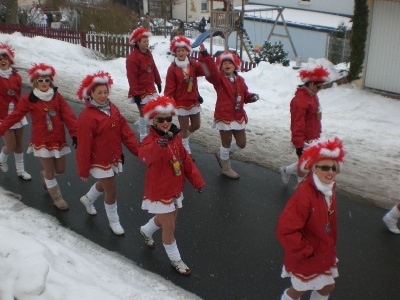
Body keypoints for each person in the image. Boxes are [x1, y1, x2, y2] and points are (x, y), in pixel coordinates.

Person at [138, 95, 205, 275]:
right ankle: (176, 260)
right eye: (161, 119)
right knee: (169, 228)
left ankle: (145, 230)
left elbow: (186, 162)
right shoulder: (150, 140)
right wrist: (158, 146)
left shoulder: (175, 137)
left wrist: (197, 182)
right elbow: (144, 156)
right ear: (153, 120)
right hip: (160, 191)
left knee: (167, 219)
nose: (166, 122)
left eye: (169, 118)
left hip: (175, 188)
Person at [0, 63, 77, 210]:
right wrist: (2, 127)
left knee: (60, 169)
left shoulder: (57, 97)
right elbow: (16, 115)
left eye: (46, 80)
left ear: (50, 82)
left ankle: (45, 176)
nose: (43, 83)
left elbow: (69, 116)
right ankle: (57, 198)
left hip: (58, 138)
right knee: (50, 171)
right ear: (35, 82)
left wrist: (76, 134)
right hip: (41, 139)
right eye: (40, 80)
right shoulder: (30, 98)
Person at [276, 137, 345, 300]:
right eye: (325, 167)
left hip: (322, 249)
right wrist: (306, 251)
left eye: (334, 168)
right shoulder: (305, 195)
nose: (331, 172)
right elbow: (285, 230)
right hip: (308, 254)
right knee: (299, 290)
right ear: (314, 168)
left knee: (328, 286)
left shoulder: (329, 188)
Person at [76, 71, 139, 235]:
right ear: (91, 93)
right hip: (99, 160)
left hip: (113, 156)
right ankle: (114, 221)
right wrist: (83, 170)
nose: (103, 96)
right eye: (99, 93)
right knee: (111, 189)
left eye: (105, 92)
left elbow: (125, 131)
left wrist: (138, 151)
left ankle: (88, 199)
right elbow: (83, 145)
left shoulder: (112, 108)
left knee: (106, 185)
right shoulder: (87, 117)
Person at [199, 43, 259, 179]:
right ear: (221, 66)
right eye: (224, 63)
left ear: (235, 65)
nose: (227, 65)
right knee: (225, 143)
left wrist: (251, 97)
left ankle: (221, 155)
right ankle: (226, 168)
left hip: (238, 116)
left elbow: (244, 95)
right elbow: (210, 72)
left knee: (241, 143)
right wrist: (204, 55)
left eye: (230, 63)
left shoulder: (240, 80)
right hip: (224, 115)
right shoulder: (218, 80)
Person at [280, 65, 330, 184]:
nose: (320, 89)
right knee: (304, 168)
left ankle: (286, 171)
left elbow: (315, 118)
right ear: (311, 83)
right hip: (304, 139)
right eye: (318, 86)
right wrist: (299, 145)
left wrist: (318, 133)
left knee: (310, 161)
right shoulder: (300, 101)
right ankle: (301, 194)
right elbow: (297, 124)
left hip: (313, 137)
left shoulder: (312, 95)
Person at [164, 36, 205, 159]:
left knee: (196, 125)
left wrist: (205, 55)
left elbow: (206, 70)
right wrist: (168, 103)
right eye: (178, 51)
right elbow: (169, 87)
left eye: (183, 50)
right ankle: (186, 152)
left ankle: (181, 137)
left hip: (193, 100)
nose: (181, 53)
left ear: (187, 51)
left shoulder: (192, 65)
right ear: (175, 53)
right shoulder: (172, 69)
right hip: (180, 102)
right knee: (184, 127)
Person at [0, 43, 31, 180]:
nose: (2, 61)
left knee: (19, 145)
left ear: (10, 60)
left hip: (17, 114)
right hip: (3, 115)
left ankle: (21, 171)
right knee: (10, 145)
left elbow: (18, 94)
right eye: (0, 58)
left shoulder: (16, 76)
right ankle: (1, 159)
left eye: (5, 58)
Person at [126, 27, 162, 142]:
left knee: (154, 111)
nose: (146, 44)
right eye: (144, 41)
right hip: (140, 90)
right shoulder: (132, 58)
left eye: (147, 41)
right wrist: (136, 93)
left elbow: (154, 68)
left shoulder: (148, 54)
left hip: (150, 87)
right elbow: (132, 77)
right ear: (137, 42)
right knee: (144, 112)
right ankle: (143, 135)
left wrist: (158, 81)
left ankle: (144, 126)